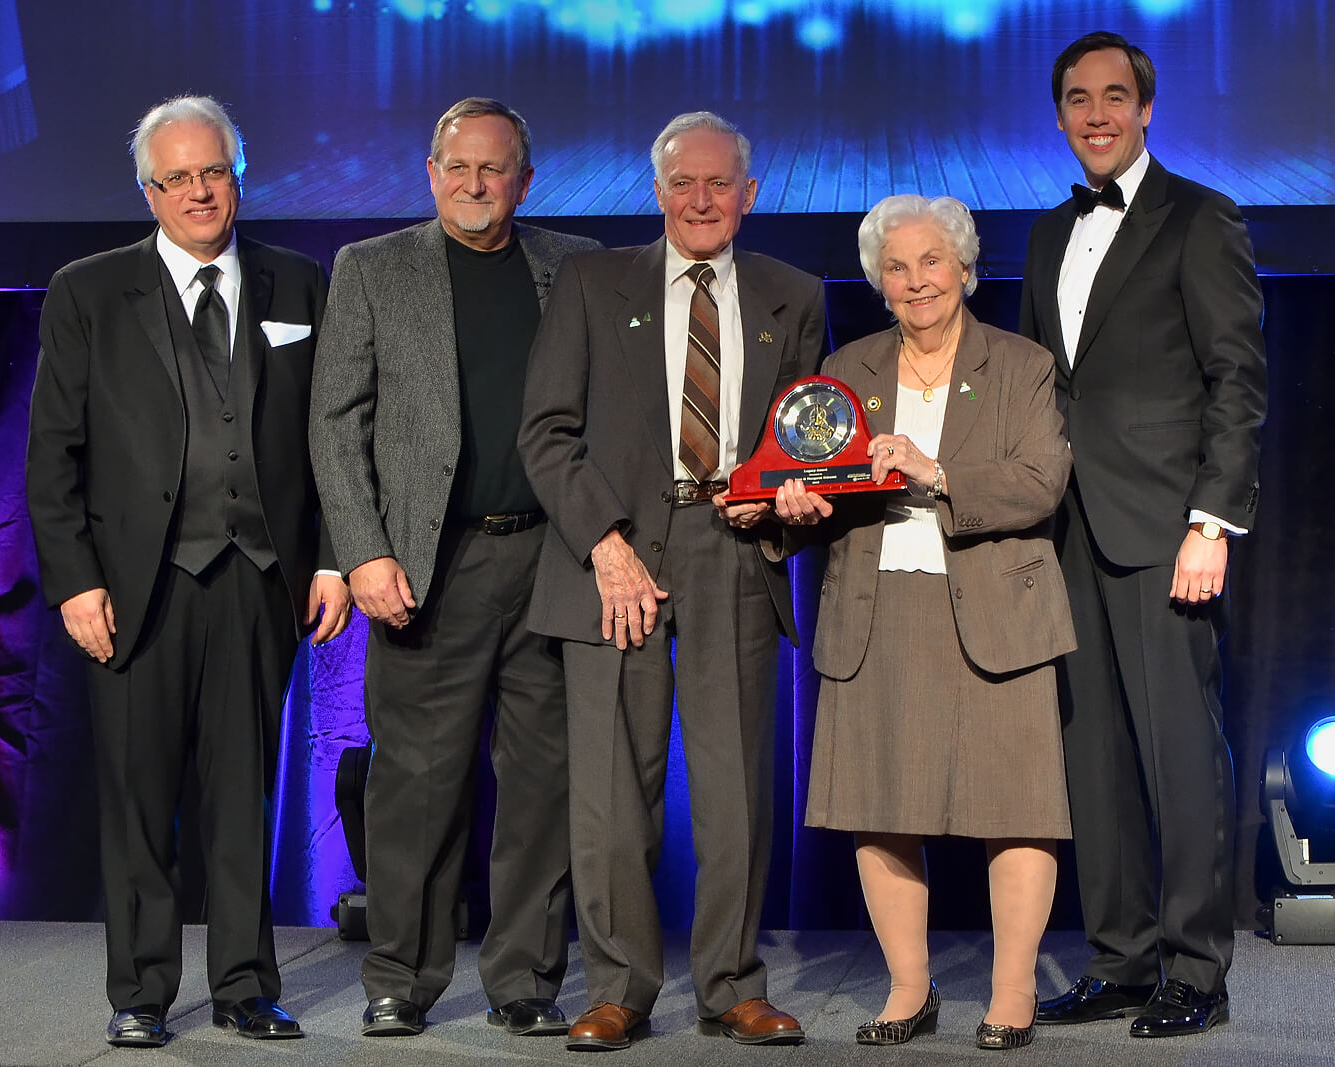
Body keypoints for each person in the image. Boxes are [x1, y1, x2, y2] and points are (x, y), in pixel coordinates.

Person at [25, 95, 352, 1047]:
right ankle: (140, 992)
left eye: (213, 172)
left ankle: (248, 983)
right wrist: (75, 579)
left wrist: (333, 558)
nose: (199, 191)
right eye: (177, 178)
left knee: (242, 795)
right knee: (137, 795)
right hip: (136, 588)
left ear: (238, 177)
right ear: (148, 191)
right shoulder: (88, 291)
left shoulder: (301, 284)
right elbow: (53, 453)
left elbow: (334, 441)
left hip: (262, 579)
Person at [517, 111, 826, 1052]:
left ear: (750, 194)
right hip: (616, 558)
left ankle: (733, 984)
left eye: (719, 183)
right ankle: (618, 988)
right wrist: (604, 544)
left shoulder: (794, 293)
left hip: (733, 552)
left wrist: (785, 499)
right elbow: (547, 432)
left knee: (734, 790)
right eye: (682, 184)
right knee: (612, 791)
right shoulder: (590, 282)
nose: (700, 199)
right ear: (657, 191)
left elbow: (808, 441)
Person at [308, 97, 600, 1039]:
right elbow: (335, 423)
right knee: (418, 784)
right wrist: (363, 551)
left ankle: (525, 978)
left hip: (552, 563)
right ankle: (401, 976)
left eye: (496, 168)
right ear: (432, 172)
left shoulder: (578, 266)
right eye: (459, 168)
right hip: (430, 568)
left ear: (526, 176)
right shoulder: (372, 268)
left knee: (543, 783)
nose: (476, 185)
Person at [774, 194, 1074, 1052]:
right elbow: (821, 494)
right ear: (878, 282)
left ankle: (1012, 991)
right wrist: (795, 507)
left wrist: (936, 473)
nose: (916, 281)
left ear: (965, 268)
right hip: (880, 611)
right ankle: (910, 987)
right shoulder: (849, 368)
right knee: (883, 805)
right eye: (896, 268)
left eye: (931, 261)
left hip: (996, 611)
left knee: (1016, 809)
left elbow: (1040, 483)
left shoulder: (1020, 364)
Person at [1020, 31, 1266, 1037]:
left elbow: (1237, 381)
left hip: (1166, 529)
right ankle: (1120, 959)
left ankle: (1195, 967)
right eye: (1077, 98)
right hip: (1062, 532)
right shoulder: (1043, 234)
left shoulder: (1199, 218)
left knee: (1178, 756)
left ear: (1147, 109)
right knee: (1092, 760)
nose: (1095, 113)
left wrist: (1212, 519)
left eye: (1114, 95)